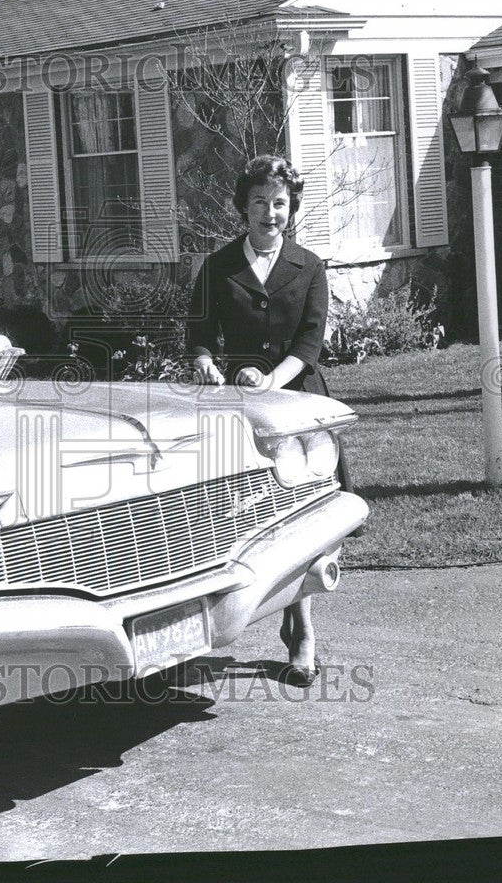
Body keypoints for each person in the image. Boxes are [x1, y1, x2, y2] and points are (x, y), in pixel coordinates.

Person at [187, 154, 352, 688]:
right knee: (235, 517)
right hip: (234, 409)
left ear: (291, 208)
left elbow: (310, 339)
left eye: (279, 203)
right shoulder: (217, 267)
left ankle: (301, 628)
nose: (270, 213)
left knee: (304, 516)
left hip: (297, 401)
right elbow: (199, 334)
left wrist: (273, 382)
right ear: (244, 207)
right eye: (260, 202)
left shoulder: (310, 267)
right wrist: (208, 363)